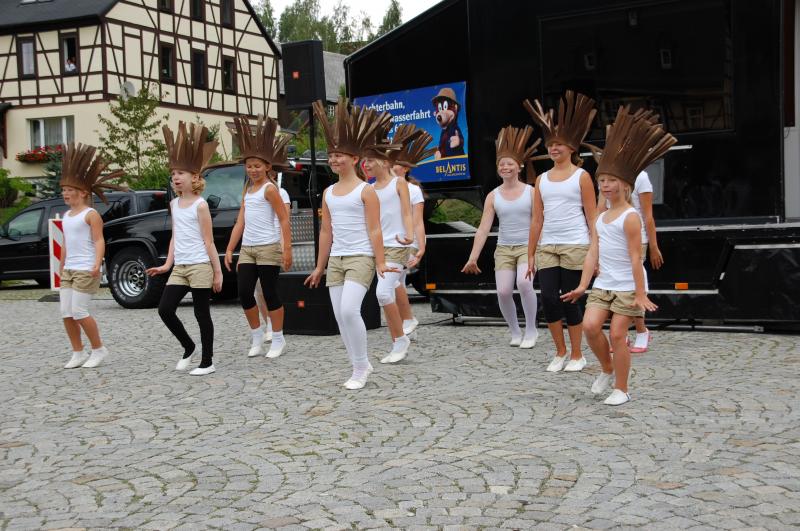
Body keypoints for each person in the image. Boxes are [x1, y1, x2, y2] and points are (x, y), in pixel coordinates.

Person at [562, 106, 675, 405]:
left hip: (627, 285)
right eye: (602, 181)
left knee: (616, 334)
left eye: (610, 181)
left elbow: (636, 258)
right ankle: (607, 369)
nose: (605, 186)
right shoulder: (600, 218)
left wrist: (640, 293)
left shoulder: (630, 217)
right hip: (604, 284)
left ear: (625, 185)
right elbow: (592, 253)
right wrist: (583, 285)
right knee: (589, 327)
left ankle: (622, 389)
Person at [304, 97, 397, 390]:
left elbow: (375, 229)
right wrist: (319, 266)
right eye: (331, 155)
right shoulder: (328, 192)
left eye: (339, 155)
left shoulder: (366, 191)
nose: (333, 160)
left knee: (348, 310)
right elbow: (326, 232)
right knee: (339, 316)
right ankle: (359, 363)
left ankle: (360, 367)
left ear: (354, 159)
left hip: (361, 257)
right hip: (337, 259)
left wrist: (380, 261)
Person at [524, 91, 597, 372]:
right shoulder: (541, 179)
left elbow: (592, 217)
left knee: (570, 299)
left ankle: (578, 354)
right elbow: (537, 220)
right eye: (550, 145)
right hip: (547, 245)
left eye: (559, 145)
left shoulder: (582, 176)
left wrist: (596, 251)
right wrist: (531, 254)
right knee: (549, 298)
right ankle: (560, 351)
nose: (553, 149)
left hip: (575, 243)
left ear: (571, 148)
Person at [146, 122, 222, 375]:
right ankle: (188, 346)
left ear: (195, 177)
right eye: (173, 174)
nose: (176, 178)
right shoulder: (174, 204)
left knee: (201, 314)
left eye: (181, 173)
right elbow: (175, 236)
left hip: (200, 266)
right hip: (180, 266)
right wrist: (167, 264)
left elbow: (209, 241)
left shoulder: (200, 205)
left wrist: (217, 273)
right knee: (165, 309)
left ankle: (207, 361)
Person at [462, 125, 541, 348]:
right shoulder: (493, 196)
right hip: (504, 248)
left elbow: (539, 222)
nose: (505, 167)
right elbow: (483, 228)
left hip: (527, 246)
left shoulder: (531, 192)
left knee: (524, 283)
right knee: (504, 291)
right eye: (501, 164)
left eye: (509, 164)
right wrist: (473, 257)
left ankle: (531, 330)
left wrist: (538, 248)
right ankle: (515, 331)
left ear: (519, 166)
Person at [225, 116, 293, 359]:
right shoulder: (248, 190)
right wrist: (231, 248)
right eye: (249, 166)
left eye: (257, 166)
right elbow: (240, 222)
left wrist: (286, 249)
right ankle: (256, 334)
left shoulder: (270, 189)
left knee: (269, 292)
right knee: (244, 292)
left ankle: (278, 337)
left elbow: (284, 219)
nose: (252, 170)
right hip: (248, 248)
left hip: (268, 247)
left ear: (267, 167)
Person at [59, 143, 125, 369]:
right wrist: (61, 266)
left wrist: (97, 264)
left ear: (83, 192)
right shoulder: (67, 216)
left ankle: (98, 349)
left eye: (70, 190)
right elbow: (66, 243)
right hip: (69, 269)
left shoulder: (91, 214)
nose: (65, 193)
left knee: (79, 311)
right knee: (66, 313)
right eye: (64, 190)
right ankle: (78, 352)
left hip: (86, 268)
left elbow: (99, 241)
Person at [363, 126, 415, 363]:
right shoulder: (368, 189)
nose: (366, 164)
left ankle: (400, 340)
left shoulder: (398, 183)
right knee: (389, 290)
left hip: (397, 245)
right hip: (376, 247)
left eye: (370, 160)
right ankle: (404, 328)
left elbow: (406, 212)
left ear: (384, 162)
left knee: (383, 293)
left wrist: (410, 235)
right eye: (364, 161)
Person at [596, 171, 663, 353]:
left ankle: (641, 331)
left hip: (635, 237)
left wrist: (653, 245)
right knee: (612, 285)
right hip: (610, 236)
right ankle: (621, 333)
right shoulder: (605, 176)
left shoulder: (640, 177)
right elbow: (600, 208)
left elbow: (648, 215)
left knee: (631, 286)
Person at [390, 126, 436, 338]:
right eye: (391, 162)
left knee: (394, 282)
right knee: (395, 284)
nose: (393, 167)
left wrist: (421, 247)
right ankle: (405, 327)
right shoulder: (380, 187)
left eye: (397, 164)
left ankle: (407, 322)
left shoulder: (413, 190)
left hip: (407, 242)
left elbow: (418, 221)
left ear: (406, 169)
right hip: (388, 241)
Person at [256, 170, 291, 344]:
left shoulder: (280, 192)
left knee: (267, 287)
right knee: (257, 290)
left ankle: (274, 326)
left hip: (273, 243)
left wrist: (284, 247)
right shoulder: (252, 191)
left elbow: (284, 220)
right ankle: (268, 322)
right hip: (256, 244)